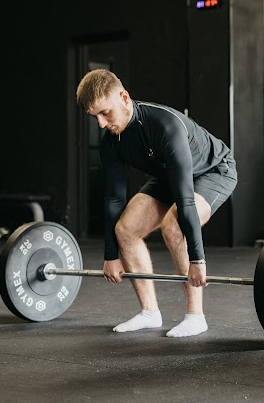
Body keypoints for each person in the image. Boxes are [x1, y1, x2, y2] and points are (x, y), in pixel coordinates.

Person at [76, 69, 237, 338]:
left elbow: (185, 198)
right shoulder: (110, 142)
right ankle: (150, 313)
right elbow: (114, 197)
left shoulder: (164, 125)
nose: (101, 124)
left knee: (173, 226)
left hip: (212, 171)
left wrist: (198, 259)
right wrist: (110, 254)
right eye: (95, 117)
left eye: (106, 113)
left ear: (124, 98)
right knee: (125, 230)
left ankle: (196, 316)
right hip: (168, 173)